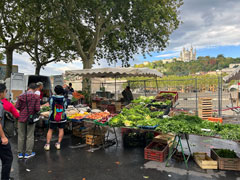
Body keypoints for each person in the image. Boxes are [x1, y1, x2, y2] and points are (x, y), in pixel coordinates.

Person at [15, 83, 40, 159]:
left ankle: (19, 153)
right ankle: (28, 153)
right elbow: (37, 109)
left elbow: (17, 106)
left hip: (21, 118)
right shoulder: (36, 97)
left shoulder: (21, 96)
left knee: (21, 136)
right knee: (30, 135)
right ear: (35, 89)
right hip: (31, 118)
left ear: (28, 88)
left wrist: (23, 111)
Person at [44, 85, 67, 151]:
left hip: (53, 117)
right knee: (61, 129)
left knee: (50, 130)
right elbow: (65, 107)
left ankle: (47, 145)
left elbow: (50, 106)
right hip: (62, 117)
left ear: (55, 91)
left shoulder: (51, 98)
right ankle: (58, 144)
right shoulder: (64, 99)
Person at [0, 84, 13, 180]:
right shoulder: (0, 105)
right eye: (5, 91)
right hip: (0, 138)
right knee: (8, 158)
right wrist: (3, 137)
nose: (6, 93)